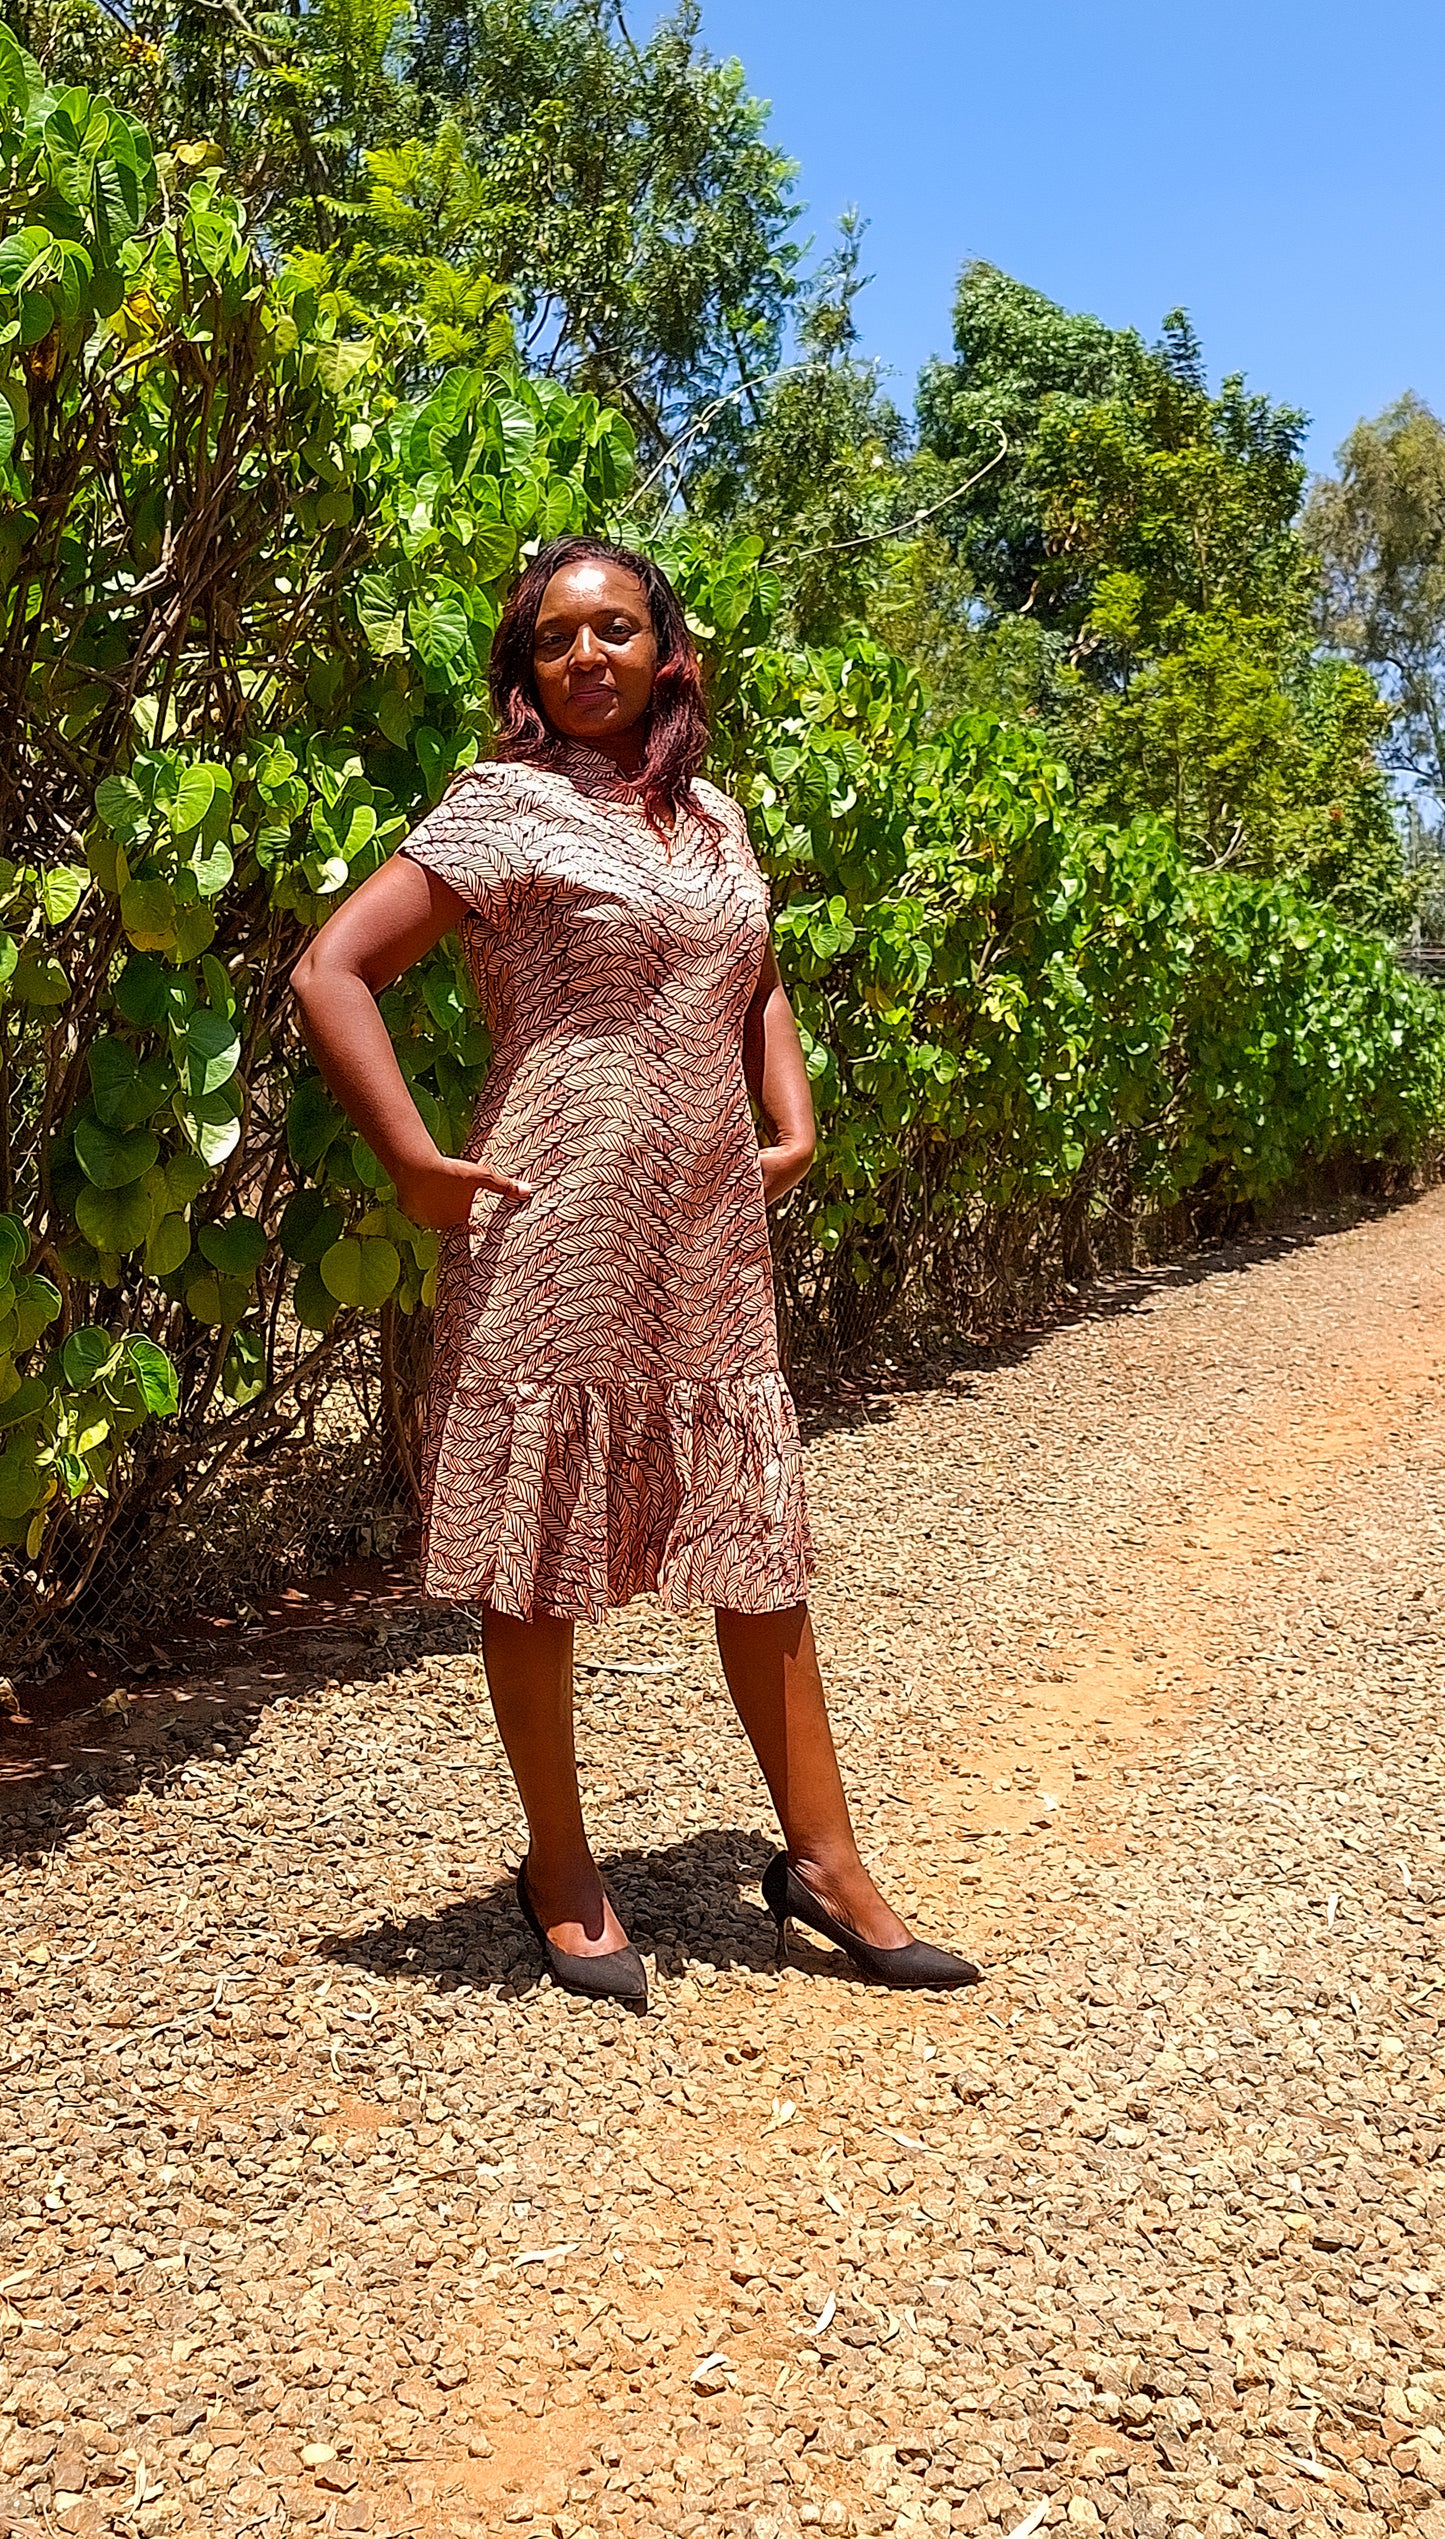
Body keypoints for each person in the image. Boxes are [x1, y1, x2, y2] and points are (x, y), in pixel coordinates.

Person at [291, 535, 979, 2009]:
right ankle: (559, 1863)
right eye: (556, 639)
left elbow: (753, 966)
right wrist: (414, 1161)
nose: (587, 656)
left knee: (760, 1545)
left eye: (615, 629)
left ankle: (824, 1859)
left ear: (666, 649)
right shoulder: (504, 809)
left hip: (702, 1229)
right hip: (553, 1217)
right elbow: (329, 968)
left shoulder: (714, 815)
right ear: (527, 670)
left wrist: (792, 1114)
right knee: (540, 1559)